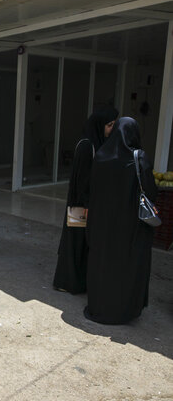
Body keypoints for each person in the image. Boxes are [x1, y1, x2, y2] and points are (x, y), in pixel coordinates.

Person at [84, 117, 158, 324]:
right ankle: (124, 310)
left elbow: (92, 190)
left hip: (101, 225)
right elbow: (150, 191)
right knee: (127, 266)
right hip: (130, 227)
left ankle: (99, 307)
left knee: (102, 263)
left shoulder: (100, 156)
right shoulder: (138, 158)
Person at [53, 107, 118, 294]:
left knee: (84, 245)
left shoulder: (97, 143)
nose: (111, 129)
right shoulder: (85, 145)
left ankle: (79, 281)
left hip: (86, 204)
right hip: (80, 206)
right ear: (99, 125)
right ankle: (67, 282)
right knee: (75, 243)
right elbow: (82, 181)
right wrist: (89, 205)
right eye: (109, 125)